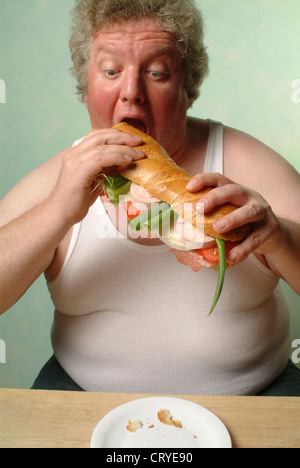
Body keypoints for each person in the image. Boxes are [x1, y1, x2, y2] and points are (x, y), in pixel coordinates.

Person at [1, 0, 300, 396]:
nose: (131, 93)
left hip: (257, 392)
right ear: (86, 86)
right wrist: (57, 212)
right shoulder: (58, 178)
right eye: (111, 71)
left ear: (186, 87)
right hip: (81, 392)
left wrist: (278, 236)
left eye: (157, 73)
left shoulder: (249, 164)